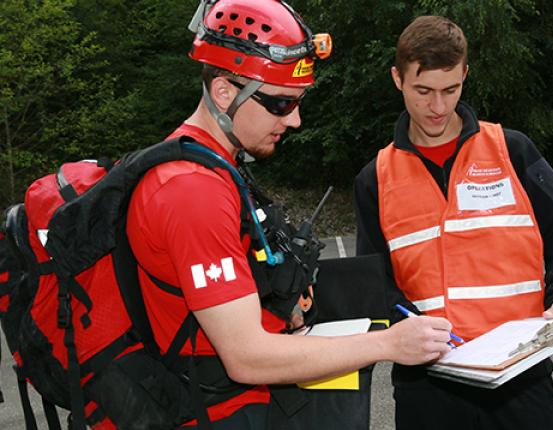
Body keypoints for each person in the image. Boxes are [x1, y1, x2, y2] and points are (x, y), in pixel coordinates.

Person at [126, 2, 453, 428]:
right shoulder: (192, 191)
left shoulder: (216, 167)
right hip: (208, 414)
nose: (295, 120)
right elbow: (246, 357)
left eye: (297, 102)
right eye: (281, 104)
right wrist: (388, 344)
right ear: (225, 91)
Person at [354, 15, 553, 430]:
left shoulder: (512, 150)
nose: (438, 107)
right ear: (397, 78)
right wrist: (402, 328)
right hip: (428, 387)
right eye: (423, 91)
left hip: (521, 375)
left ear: (465, 74)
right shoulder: (375, 177)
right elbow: (374, 281)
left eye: (451, 89)